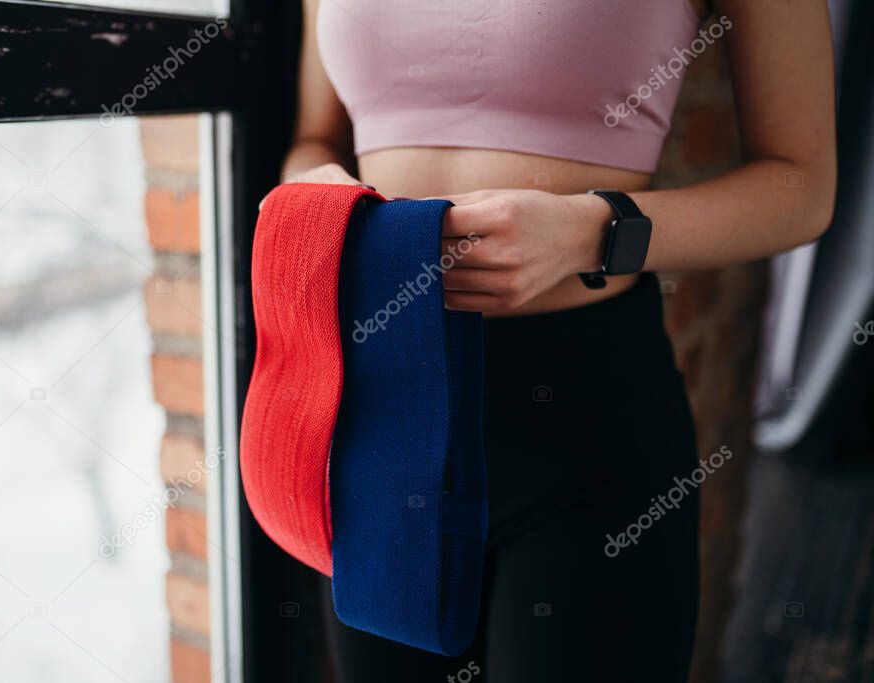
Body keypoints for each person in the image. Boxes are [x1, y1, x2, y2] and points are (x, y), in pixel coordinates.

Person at [274, 1, 837, 680]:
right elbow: (315, 137)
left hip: (585, 418)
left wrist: (588, 230)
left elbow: (802, 185)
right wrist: (311, 199)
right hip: (382, 420)